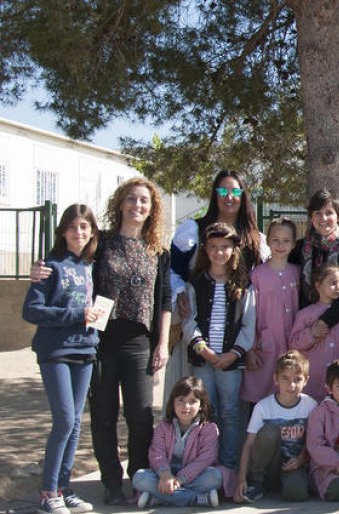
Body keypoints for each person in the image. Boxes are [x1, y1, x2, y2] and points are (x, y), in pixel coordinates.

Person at [92, 177, 173, 505]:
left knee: (140, 415)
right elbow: (70, 263)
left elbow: (165, 300)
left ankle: (139, 477)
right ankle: (111, 482)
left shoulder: (158, 251)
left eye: (144, 201)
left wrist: (162, 343)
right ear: (120, 203)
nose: (137, 206)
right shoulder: (102, 243)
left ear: (152, 209)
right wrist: (43, 269)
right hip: (101, 341)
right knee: (103, 413)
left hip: (139, 342)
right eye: (131, 199)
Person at [23, 204, 102, 514]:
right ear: (62, 231)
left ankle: (64, 488)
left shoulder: (90, 266)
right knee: (64, 420)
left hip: (85, 351)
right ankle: (47, 491)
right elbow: (31, 311)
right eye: (73, 226)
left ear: (92, 231)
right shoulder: (48, 266)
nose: (79, 232)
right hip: (55, 352)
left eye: (84, 227)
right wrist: (76, 315)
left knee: (75, 425)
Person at [165, 171, 266, 411]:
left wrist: (248, 346)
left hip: (238, 338)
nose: (229, 197)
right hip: (197, 330)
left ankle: (231, 450)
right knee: (198, 400)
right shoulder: (193, 230)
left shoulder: (255, 239)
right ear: (214, 194)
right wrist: (181, 292)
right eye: (223, 191)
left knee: (232, 408)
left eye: (235, 191)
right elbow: (171, 270)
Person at [182, 222, 257, 469]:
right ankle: (205, 465)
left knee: (230, 413)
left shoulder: (243, 286)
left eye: (225, 247)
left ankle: (229, 466)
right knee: (203, 413)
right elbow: (189, 321)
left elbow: (248, 325)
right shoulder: (195, 284)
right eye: (213, 247)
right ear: (206, 249)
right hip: (203, 361)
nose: (219, 252)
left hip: (231, 363)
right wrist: (205, 350)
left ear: (234, 250)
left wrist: (232, 354)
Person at [235, 350, 317, 503]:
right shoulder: (263, 407)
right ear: (276, 379)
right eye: (285, 378)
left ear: (306, 381)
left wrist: (301, 459)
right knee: (270, 430)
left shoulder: (310, 405)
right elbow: (249, 444)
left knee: (297, 493)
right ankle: (256, 483)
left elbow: (315, 441)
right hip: (269, 466)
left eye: (297, 379)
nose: (291, 385)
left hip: (294, 466)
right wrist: (241, 479)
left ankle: (284, 485)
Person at [132, 376, 223, 508]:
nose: (186, 406)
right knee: (139, 478)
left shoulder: (209, 429)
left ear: (202, 405)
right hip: (165, 475)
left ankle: (160, 499)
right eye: (181, 400)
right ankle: (196, 498)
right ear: (173, 403)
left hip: (193, 476)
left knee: (215, 477)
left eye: (192, 401)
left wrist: (181, 479)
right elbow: (156, 453)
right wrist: (165, 474)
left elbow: (206, 458)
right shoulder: (163, 427)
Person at [243, 218, 301, 406]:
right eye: (275, 240)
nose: (280, 245)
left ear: (293, 244)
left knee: (289, 389)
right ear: (268, 241)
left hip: (292, 343)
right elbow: (249, 314)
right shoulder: (257, 275)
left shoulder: (297, 273)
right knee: (262, 393)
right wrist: (250, 348)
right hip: (265, 344)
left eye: (285, 241)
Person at [288, 266, 339, 400]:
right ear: (318, 285)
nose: (338, 287)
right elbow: (294, 344)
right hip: (312, 380)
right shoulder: (305, 314)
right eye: (333, 283)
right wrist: (311, 334)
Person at [290, 188, 339, 309]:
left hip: (337, 319)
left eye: (329, 212)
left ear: (338, 216)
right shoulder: (298, 248)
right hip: (303, 319)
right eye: (318, 212)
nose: (323, 218)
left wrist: (324, 322)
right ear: (311, 217)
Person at [305, 360, 339, 502]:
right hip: (328, 468)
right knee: (337, 489)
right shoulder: (320, 412)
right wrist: (338, 465)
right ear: (329, 389)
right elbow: (315, 446)